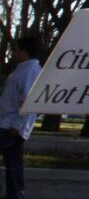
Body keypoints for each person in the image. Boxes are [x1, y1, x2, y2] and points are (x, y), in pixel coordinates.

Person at [0, 35, 42, 199]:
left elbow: (30, 102)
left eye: (15, 50)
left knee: (14, 165)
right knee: (13, 165)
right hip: (7, 124)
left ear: (24, 51)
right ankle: (15, 194)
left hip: (10, 126)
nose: (13, 53)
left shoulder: (30, 71)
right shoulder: (22, 70)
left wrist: (20, 127)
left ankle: (16, 194)